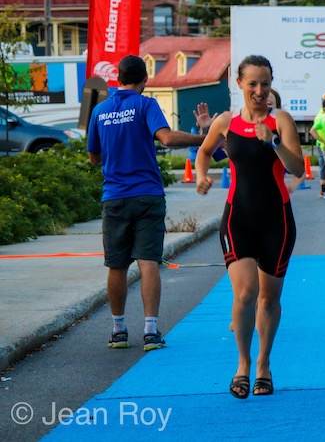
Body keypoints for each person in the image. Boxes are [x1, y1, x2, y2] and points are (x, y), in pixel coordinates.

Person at [195, 55, 304, 399]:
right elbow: (204, 152)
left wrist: (272, 141)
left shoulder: (281, 120)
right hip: (237, 218)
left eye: (265, 83)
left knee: (269, 299)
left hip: (277, 221)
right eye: (253, 83)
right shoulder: (226, 121)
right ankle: (242, 364)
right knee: (245, 294)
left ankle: (263, 365)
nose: (259, 90)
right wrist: (201, 175)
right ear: (239, 83)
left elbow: (297, 167)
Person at [87, 55, 212, 352]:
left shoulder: (99, 111)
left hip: (114, 197)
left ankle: (118, 330)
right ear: (145, 80)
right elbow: (167, 139)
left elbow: (93, 157)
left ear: (118, 79)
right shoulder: (145, 105)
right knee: (147, 262)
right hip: (147, 195)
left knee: (116, 265)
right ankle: (151, 332)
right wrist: (203, 140)